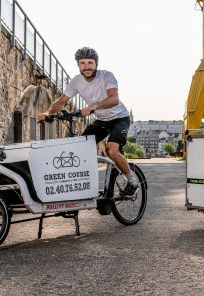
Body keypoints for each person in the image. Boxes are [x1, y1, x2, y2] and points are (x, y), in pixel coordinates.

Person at [36, 47, 140, 196]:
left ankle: (133, 181)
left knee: (111, 149)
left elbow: (114, 99)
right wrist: (48, 113)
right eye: (83, 63)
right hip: (102, 120)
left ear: (96, 63)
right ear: (78, 65)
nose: (87, 67)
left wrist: (93, 106)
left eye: (90, 63)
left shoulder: (106, 76)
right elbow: (61, 101)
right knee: (80, 148)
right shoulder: (76, 81)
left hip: (119, 118)